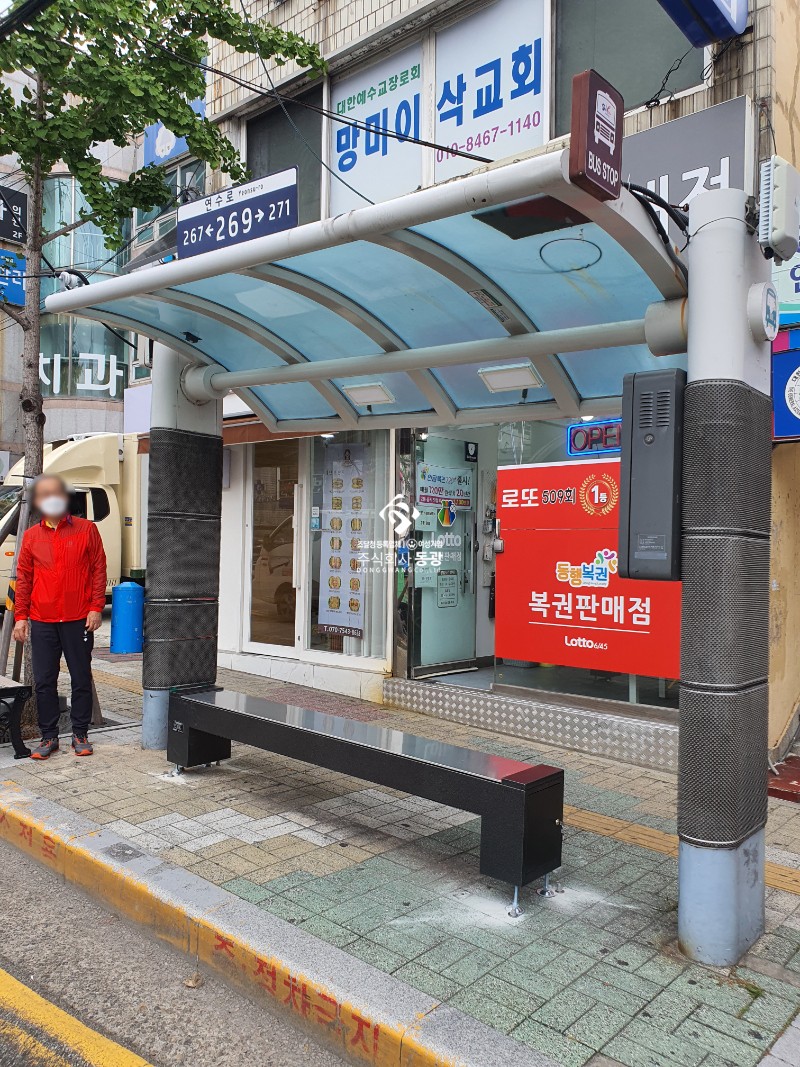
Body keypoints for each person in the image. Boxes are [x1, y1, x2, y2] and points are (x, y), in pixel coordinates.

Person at [12, 474, 107, 759]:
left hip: (79, 618)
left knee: (80, 677)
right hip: (43, 619)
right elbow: (24, 578)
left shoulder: (86, 529)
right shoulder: (32, 536)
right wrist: (21, 616)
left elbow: (98, 569)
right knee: (44, 681)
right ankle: (48, 736)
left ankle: (80, 733)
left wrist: (96, 607)